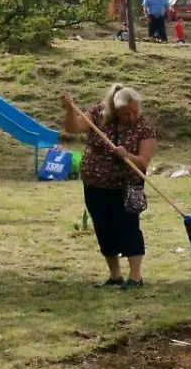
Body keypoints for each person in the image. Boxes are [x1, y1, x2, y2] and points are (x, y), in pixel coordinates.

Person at [61, 85, 158, 290]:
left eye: (135, 111)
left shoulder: (144, 128)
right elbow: (72, 127)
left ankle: (135, 277)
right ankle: (115, 276)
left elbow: (143, 161)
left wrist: (127, 156)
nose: (132, 117)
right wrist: (70, 110)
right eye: (126, 113)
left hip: (125, 187)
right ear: (115, 110)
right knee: (103, 228)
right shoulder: (98, 113)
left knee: (128, 229)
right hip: (94, 185)